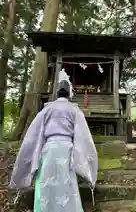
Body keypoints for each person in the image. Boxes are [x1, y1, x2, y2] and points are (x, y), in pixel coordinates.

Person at [9, 69, 98, 212]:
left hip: (49, 149)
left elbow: (33, 135)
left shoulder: (46, 110)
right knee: (67, 183)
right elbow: (83, 136)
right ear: (69, 94)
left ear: (57, 93)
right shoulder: (74, 110)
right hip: (67, 149)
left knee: (46, 181)